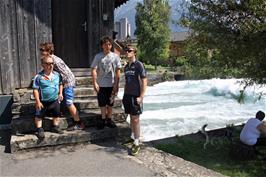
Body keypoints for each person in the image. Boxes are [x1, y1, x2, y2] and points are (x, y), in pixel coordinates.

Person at [39, 42, 85, 131]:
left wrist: (60, 83)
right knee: (62, 100)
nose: (41, 52)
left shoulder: (53, 60)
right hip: (65, 81)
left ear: (48, 51)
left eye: (42, 50)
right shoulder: (52, 58)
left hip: (68, 81)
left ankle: (78, 123)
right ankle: (61, 113)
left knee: (69, 102)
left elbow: (64, 73)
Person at [91, 36, 121, 129]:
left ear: (111, 45)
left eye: (109, 44)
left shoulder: (115, 57)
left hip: (112, 84)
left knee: (110, 103)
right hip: (101, 84)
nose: (107, 46)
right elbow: (93, 70)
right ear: (102, 46)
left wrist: (116, 84)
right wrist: (95, 83)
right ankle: (103, 119)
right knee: (102, 103)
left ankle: (109, 119)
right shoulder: (98, 56)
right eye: (105, 44)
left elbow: (118, 71)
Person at [122, 45, 147, 156]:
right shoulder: (126, 66)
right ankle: (132, 137)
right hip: (127, 95)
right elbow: (127, 82)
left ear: (134, 53)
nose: (127, 52)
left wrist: (141, 97)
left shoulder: (139, 65)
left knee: (136, 119)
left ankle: (137, 142)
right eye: (126, 51)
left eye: (129, 51)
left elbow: (144, 81)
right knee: (131, 117)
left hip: (136, 96)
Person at [33, 55, 64, 140]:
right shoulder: (39, 77)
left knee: (56, 113)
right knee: (39, 115)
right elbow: (35, 89)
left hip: (54, 100)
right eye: (48, 63)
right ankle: (39, 129)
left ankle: (55, 127)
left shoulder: (57, 75)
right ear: (43, 64)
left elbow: (61, 84)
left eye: (52, 63)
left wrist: (61, 93)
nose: (50, 65)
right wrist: (38, 101)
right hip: (43, 101)